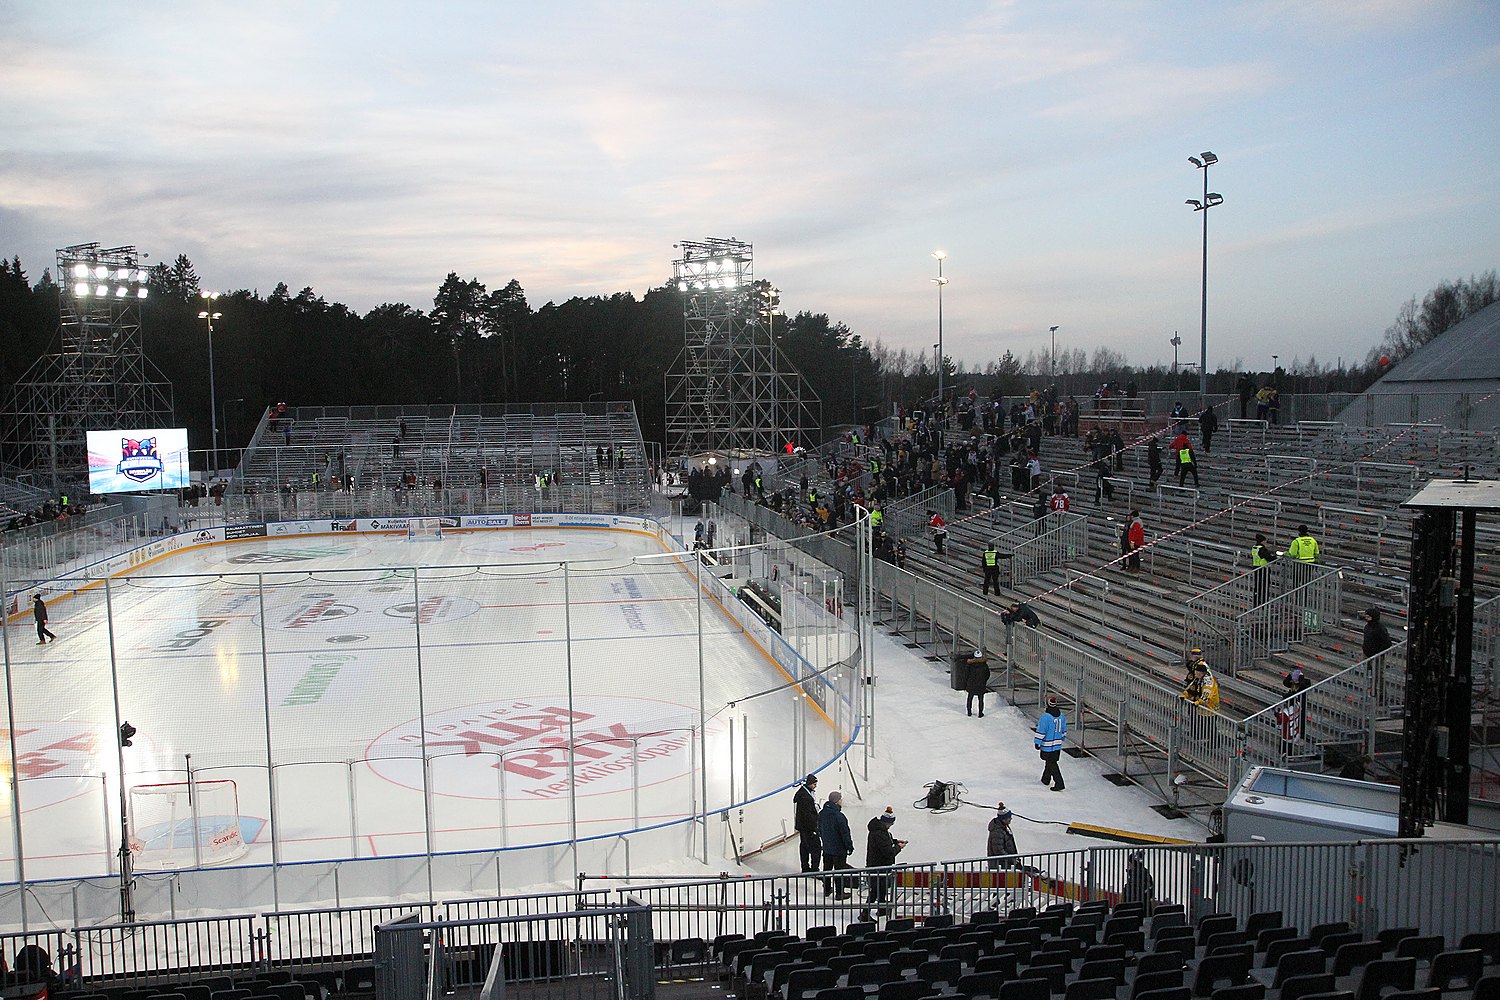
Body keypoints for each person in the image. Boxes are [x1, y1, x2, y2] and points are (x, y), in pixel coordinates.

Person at [860, 806, 906, 920]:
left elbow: (885, 842)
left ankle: (881, 908)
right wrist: (898, 847)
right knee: (875, 890)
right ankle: (865, 913)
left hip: (878, 865)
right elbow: (888, 852)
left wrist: (895, 841)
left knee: (882, 888)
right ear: (887, 823)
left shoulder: (880, 831)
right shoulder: (880, 833)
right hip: (878, 866)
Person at [818, 790, 854, 899]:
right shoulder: (839, 816)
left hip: (827, 847)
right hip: (838, 849)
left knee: (827, 869)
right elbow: (845, 833)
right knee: (839, 871)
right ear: (837, 801)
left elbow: (819, 828)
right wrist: (849, 846)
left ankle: (827, 889)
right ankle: (839, 892)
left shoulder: (822, 813)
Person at [1034, 696, 1067, 791]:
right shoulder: (1062, 716)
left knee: (1052, 763)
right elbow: (1064, 730)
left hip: (1047, 745)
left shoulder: (1045, 718)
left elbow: (1041, 731)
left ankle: (1059, 783)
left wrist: (1037, 742)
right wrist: (1062, 738)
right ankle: (1045, 779)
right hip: (1057, 745)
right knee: (1050, 761)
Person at [793, 774, 821, 874]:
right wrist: (815, 828)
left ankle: (805, 867)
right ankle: (814, 869)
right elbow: (809, 815)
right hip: (809, 828)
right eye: (814, 784)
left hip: (803, 827)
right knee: (815, 847)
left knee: (804, 846)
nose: (815, 786)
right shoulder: (806, 798)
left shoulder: (804, 794)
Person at [986, 803, 1018, 869]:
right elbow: (998, 850)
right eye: (1009, 817)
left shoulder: (1003, 828)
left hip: (1005, 864)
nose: (1011, 819)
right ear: (1004, 819)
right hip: (1000, 866)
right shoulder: (997, 831)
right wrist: (1012, 860)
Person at [964, 649, 991, 718]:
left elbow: (965, 674)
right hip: (981, 685)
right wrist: (984, 681)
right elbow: (987, 675)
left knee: (970, 698)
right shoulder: (984, 665)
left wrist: (967, 681)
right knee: (981, 699)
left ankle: (969, 712)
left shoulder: (970, 665)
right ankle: (980, 713)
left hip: (971, 684)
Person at [1251, 532, 1277, 603]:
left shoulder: (1254, 547)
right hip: (1263, 569)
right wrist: (1276, 557)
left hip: (1256, 568)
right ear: (1263, 541)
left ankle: (1256, 602)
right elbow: (1268, 558)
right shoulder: (1262, 549)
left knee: (1257, 586)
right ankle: (1263, 602)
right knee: (1264, 587)